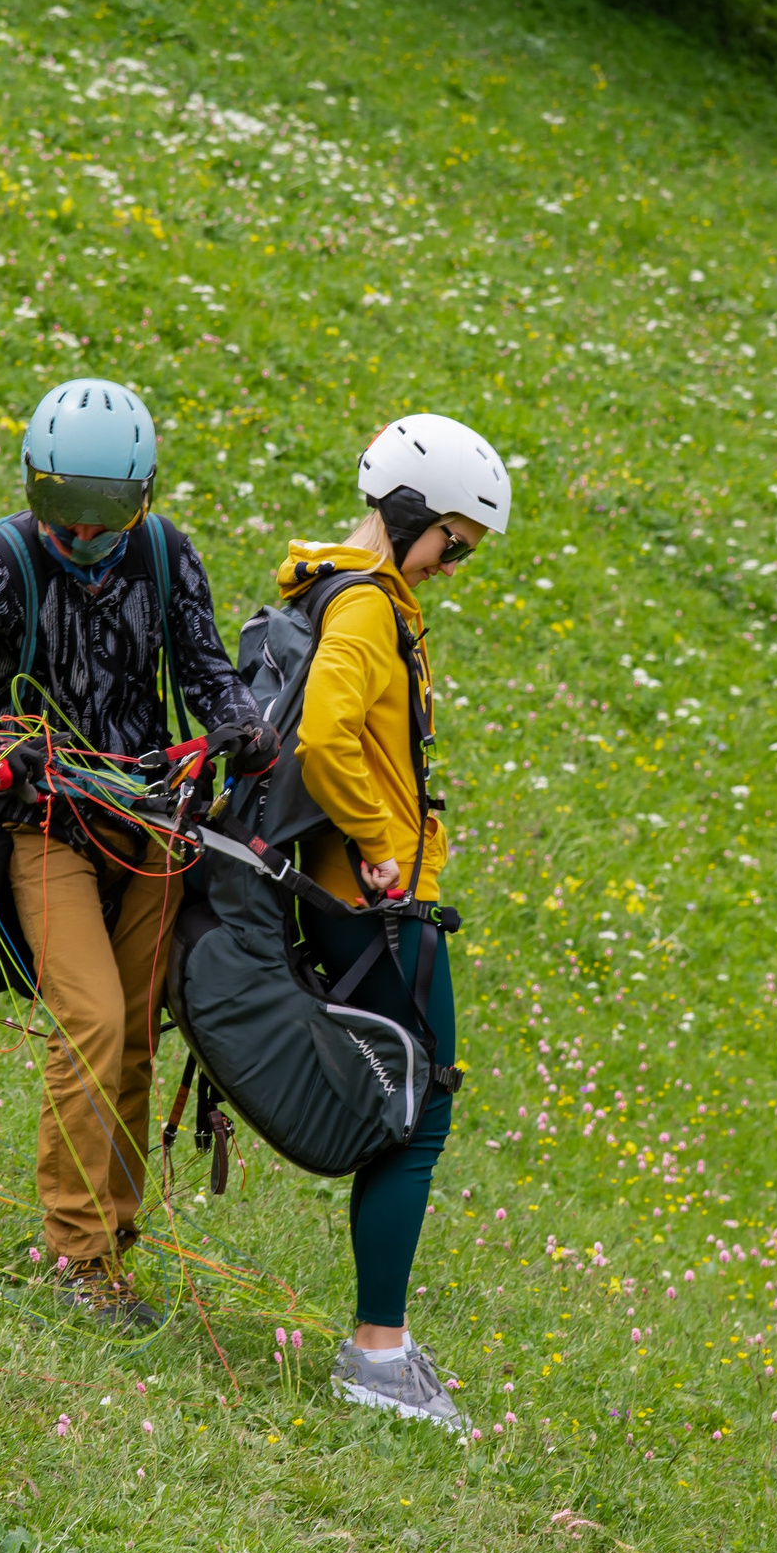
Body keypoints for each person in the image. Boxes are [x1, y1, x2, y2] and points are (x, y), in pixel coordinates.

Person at [0, 377, 274, 1331]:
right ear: (32, 486)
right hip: (42, 826)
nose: (84, 537)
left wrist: (240, 727)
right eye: (63, 508)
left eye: (107, 516)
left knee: (135, 1032)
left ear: (142, 496)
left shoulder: (169, 556)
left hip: (151, 826)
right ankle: (71, 1253)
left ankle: (113, 1250)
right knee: (89, 1019)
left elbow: (210, 669)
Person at [282, 412, 509, 1431]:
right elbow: (326, 736)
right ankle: (376, 1352)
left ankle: (384, 1344)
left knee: (410, 1109)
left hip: (362, 897)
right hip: (379, 902)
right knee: (417, 1117)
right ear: (411, 511)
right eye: (450, 542)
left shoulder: (345, 586)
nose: (453, 564)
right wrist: (378, 840)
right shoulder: (368, 609)